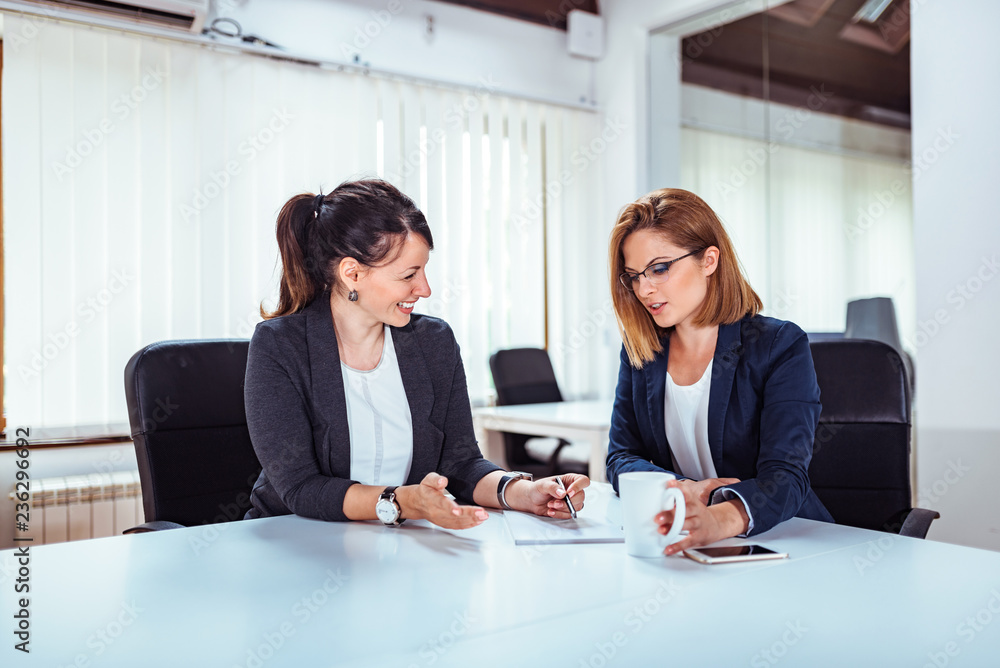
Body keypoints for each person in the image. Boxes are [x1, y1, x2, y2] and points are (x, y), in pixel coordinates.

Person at [244, 179, 588, 528]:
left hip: (399, 547)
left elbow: (461, 463)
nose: (424, 289)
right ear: (353, 273)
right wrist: (402, 501)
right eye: (409, 274)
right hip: (292, 543)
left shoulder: (433, 341)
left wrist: (520, 492)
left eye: (424, 270)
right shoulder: (280, 345)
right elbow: (300, 487)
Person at [605, 188, 832, 555]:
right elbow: (620, 456)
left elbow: (786, 479)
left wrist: (718, 517)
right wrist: (682, 490)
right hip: (683, 541)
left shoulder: (779, 345)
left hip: (780, 543)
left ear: (709, 260)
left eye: (660, 268)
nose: (645, 289)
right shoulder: (642, 351)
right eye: (633, 276)